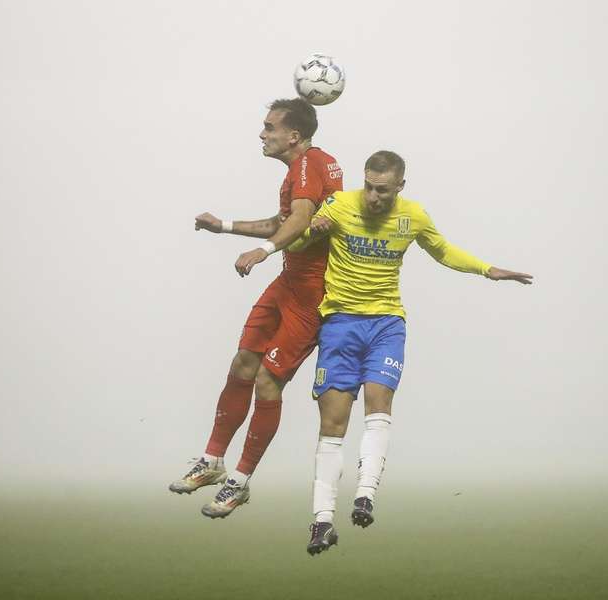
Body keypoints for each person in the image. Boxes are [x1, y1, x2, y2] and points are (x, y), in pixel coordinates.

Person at [287, 150, 532, 554]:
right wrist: (314, 231)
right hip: (340, 324)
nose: (373, 196)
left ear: (400, 187)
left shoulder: (412, 216)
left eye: (382, 190)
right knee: (332, 425)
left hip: (386, 324)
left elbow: (443, 251)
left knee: (378, 405)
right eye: (368, 186)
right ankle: (321, 520)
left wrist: (488, 269)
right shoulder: (340, 205)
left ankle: (365, 495)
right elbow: (294, 241)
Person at [168, 98, 343, 519]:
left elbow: (299, 219)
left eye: (269, 127)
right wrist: (224, 226)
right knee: (243, 362)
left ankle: (239, 482)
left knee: (267, 383)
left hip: (312, 297)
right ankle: (211, 462)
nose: (262, 134)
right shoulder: (305, 169)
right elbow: (283, 221)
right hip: (288, 283)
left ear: (293, 136)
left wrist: (263, 251)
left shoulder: (309, 164)